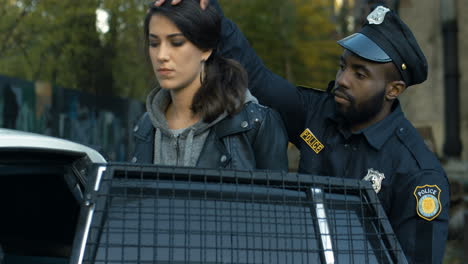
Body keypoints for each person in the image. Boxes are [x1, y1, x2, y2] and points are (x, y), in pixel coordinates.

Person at [154, 1, 449, 263]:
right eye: (342, 66)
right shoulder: (316, 115)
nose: (343, 80)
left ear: (393, 90)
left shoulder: (417, 174)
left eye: (360, 74)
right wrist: (209, 14)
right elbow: (257, 78)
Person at [131, 0, 288, 171]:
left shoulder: (256, 124)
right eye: (154, 43)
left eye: (176, 42)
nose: (161, 56)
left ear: (206, 48)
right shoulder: (145, 127)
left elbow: (277, 196)